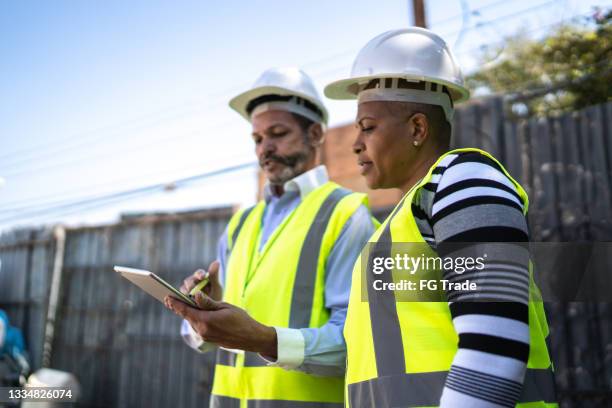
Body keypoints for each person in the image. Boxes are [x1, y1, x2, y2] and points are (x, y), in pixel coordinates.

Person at [324, 28, 557, 407]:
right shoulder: (398, 224)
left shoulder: (465, 179)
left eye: (368, 127)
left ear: (418, 127)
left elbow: (494, 346)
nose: (355, 144)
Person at [165, 67, 377, 407]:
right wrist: (198, 316)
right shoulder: (241, 224)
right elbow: (204, 341)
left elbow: (356, 343)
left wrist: (264, 339)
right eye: (258, 139)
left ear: (316, 133)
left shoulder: (346, 215)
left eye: (278, 134)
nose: (265, 149)